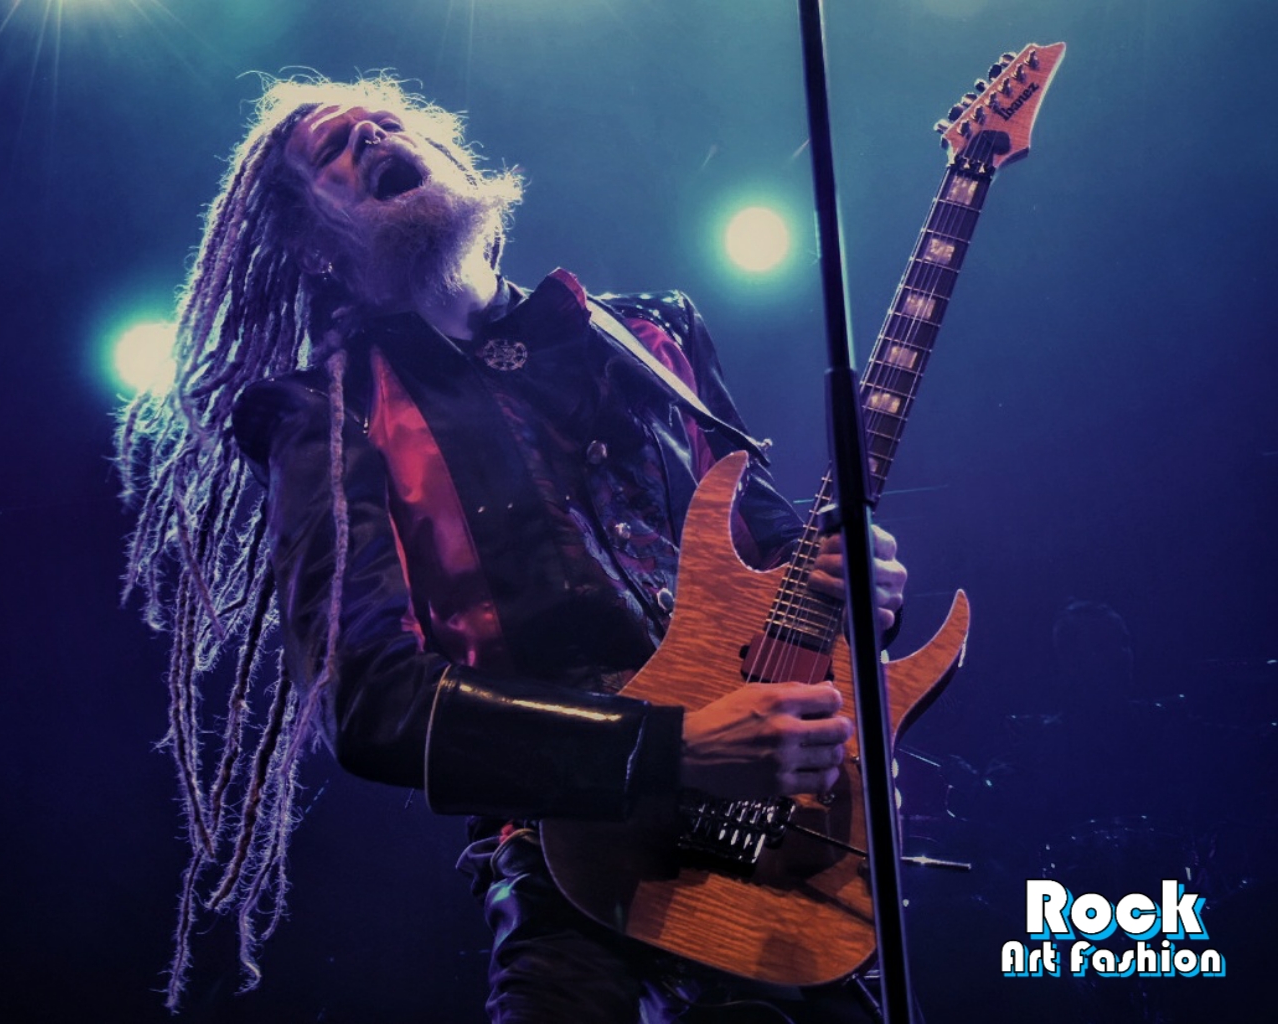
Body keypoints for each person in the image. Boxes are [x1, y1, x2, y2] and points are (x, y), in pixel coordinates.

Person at [117, 74, 908, 1022]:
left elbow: (769, 546)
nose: (371, 136)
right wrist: (671, 748)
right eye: (332, 148)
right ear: (310, 241)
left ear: (452, 155)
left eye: (388, 121)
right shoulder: (324, 415)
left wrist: (845, 579)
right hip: (570, 864)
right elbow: (369, 702)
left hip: (773, 848)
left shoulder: (648, 334)